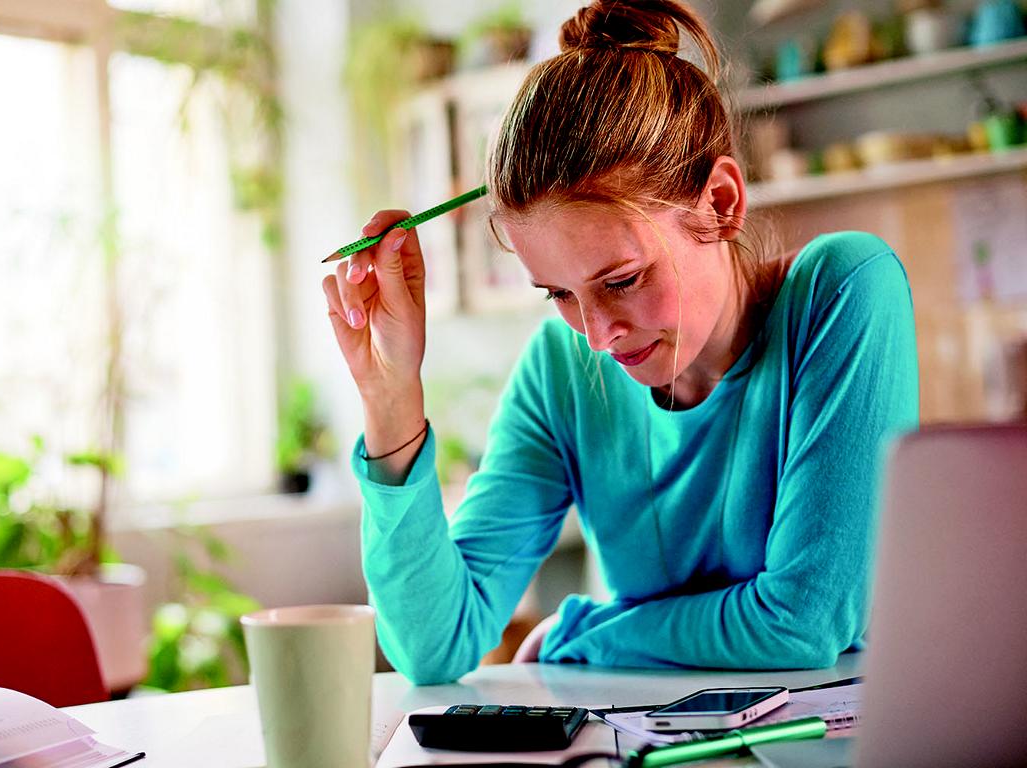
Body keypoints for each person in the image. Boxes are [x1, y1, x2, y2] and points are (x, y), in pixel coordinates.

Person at [322, 0, 918, 685]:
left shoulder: (843, 292)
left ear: (721, 203)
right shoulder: (559, 369)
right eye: (559, 294)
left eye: (624, 279)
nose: (599, 336)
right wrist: (390, 391)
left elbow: (803, 621)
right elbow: (433, 647)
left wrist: (593, 632)